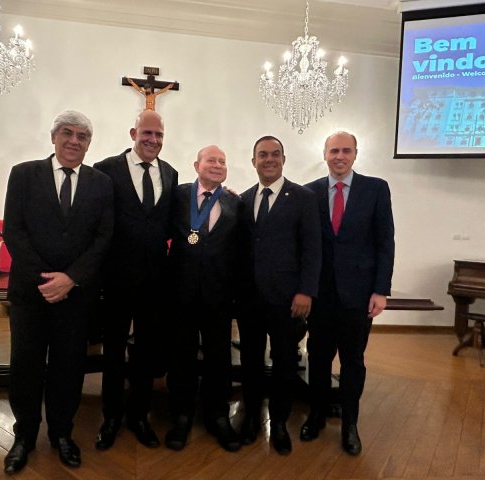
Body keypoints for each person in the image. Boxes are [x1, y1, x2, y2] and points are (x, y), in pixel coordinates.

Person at [2, 110, 114, 474]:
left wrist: (71, 278)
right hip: (30, 293)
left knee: (69, 366)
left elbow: (103, 238)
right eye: (67, 133)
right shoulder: (23, 174)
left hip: (77, 296)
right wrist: (45, 280)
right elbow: (14, 230)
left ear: (89, 143)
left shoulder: (101, 183)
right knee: (26, 365)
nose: (74, 141)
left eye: (82, 136)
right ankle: (24, 436)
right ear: (53, 137)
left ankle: (62, 433)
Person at [302, 131, 395, 456]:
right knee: (318, 358)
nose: (339, 156)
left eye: (345, 151)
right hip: (321, 296)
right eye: (334, 151)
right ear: (324, 154)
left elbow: (385, 242)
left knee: (353, 361)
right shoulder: (310, 192)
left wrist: (381, 290)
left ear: (355, 154)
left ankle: (350, 424)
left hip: (358, 296)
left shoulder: (376, 189)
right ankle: (316, 415)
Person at [93, 110, 178, 450]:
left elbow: (174, 222)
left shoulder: (170, 173)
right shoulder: (105, 169)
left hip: (155, 281)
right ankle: (111, 417)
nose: (153, 140)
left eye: (159, 135)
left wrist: (222, 198)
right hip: (115, 278)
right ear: (133, 133)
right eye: (147, 133)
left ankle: (139, 416)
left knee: (145, 351)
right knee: (113, 351)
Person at [237, 136, 321, 455]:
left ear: (284, 159)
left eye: (275, 154)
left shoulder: (303, 198)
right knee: (250, 361)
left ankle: (280, 423)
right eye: (262, 155)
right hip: (249, 299)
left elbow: (312, 249)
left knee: (284, 362)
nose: (269, 159)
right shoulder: (243, 200)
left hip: (288, 300)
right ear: (253, 161)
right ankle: (251, 419)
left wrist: (306, 291)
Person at [165, 145, 243, 452]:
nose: (218, 165)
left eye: (222, 161)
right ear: (196, 165)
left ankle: (218, 415)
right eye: (211, 160)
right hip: (180, 294)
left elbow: (239, 251)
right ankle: (181, 415)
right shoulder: (177, 196)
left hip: (218, 297)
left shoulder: (235, 203)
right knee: (181, 356)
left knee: (218, 358)